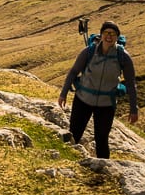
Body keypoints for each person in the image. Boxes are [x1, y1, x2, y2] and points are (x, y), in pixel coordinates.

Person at [58, 21, 138, 159]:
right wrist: (63, 93)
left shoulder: (123, 56)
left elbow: (131, 83)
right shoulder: (89, 52)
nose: (109, 36)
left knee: (101, 139)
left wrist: (133, 109)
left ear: (117, 37)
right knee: (74, 134)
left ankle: (103, 170)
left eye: (113, 34)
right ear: (101, 35)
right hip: (83, 99)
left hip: (106, 105)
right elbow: (73, 72)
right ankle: (66, 161)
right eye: (106, 33)